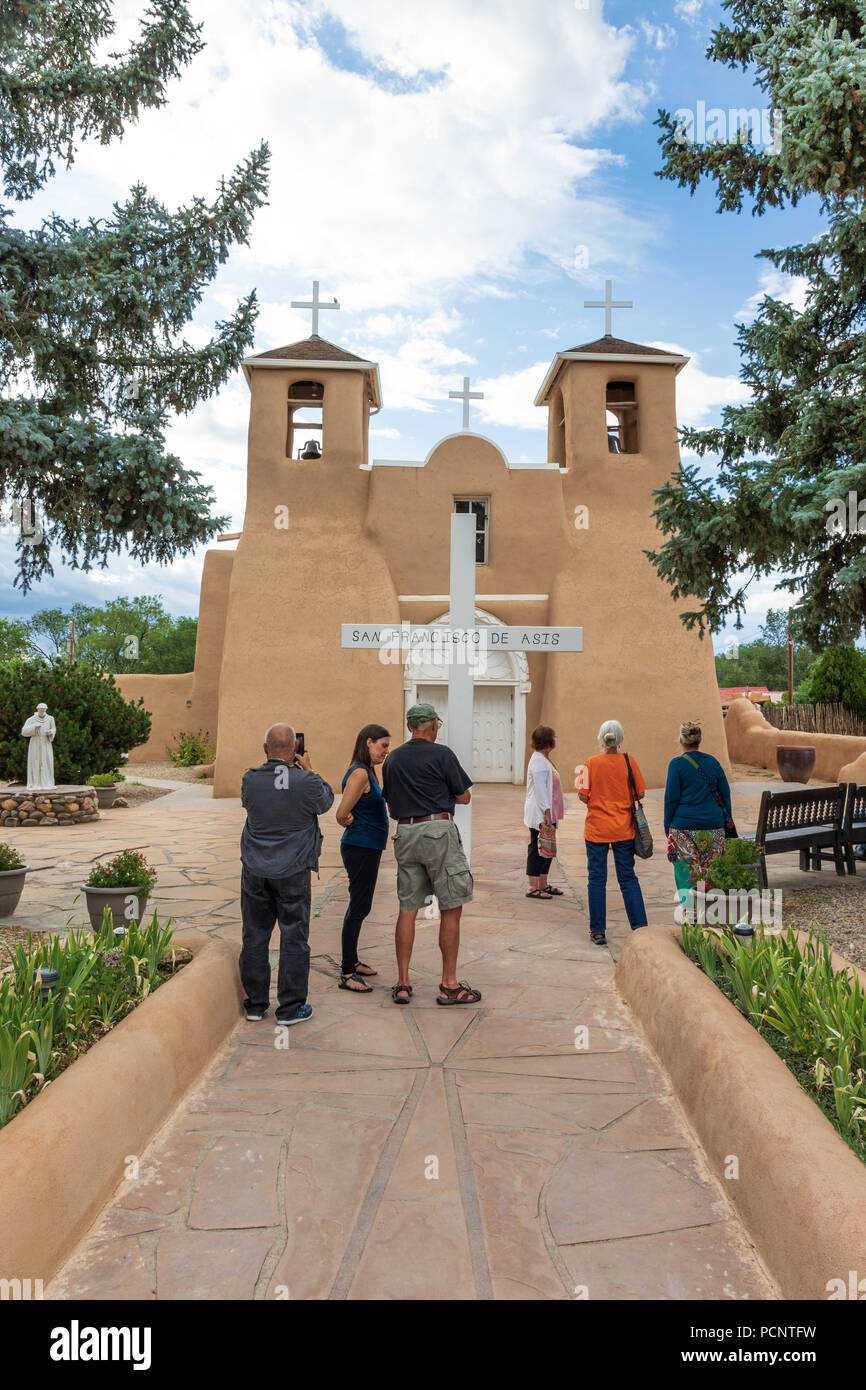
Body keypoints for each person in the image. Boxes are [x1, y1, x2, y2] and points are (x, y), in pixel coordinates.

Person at [381, 702, 480, 1006]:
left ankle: (402, 983)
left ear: (410, 726)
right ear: (433, 725)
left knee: (407, 907)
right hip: (437, 829)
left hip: (405, 832)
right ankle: (449, 984)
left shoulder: (393, 759)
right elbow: (464, 796)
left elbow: (391, 803)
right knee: (451, 905)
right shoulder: (442, 755)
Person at [239, 723, 334, 1025]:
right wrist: (310, 769)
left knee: (255, 935)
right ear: (296, 749)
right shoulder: (307, 781)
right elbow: (325, 802)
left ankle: (255, 1005)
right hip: (293, 869)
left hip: (255, 868)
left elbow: (248, 803)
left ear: (265, 749)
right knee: (294, 936)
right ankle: (290, 1009)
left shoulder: (250, 779)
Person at [575, 719, 648, 946]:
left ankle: (598, 931)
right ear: (620, 738)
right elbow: (640, 793)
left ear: (601, 738)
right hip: (623, 829)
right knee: (627, 877)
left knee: (596, 879)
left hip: (596, 829)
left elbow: (582, 795)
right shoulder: (629, 761)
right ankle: (640, 927)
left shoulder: (590, 763)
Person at [334, 724, 391, 993]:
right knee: (359, 906)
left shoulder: (368, 771)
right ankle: (347, 971)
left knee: (361, 905)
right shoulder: (359, 773)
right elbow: (340, 813)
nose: (386, 751)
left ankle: (353, 960)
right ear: (368, 742)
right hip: (360, 847)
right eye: (383, 745)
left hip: (368, 846)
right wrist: (347, 820)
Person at [664, 719, 733, 919]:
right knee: (711, 872)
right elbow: (725, 794)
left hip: (683, 828)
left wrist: (668, 827)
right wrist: (726, 820)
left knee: (686, 873)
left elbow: (671, 800)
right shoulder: (713, 762)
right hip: (713, 827)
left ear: (681, 740)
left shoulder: (676, 764)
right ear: (699, 740)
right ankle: (711, 914)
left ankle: (691, 913)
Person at [524, 724, 565, 899]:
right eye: (554, 737)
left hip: (549, 811)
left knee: (547, 847)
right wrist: (547, 812)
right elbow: (541, 790)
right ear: (548, 741)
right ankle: (533, 887)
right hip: (541, 813)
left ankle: (543, 884)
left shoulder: (543, 759)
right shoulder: (539, 763)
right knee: (537, 847)